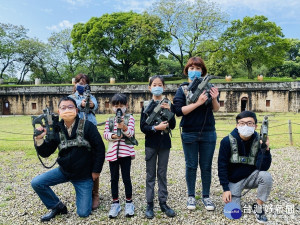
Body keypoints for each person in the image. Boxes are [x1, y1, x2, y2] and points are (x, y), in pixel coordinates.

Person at [31, 96, 105, 222]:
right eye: (63, 108)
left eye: (70, 107)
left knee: (83, 213)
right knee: (37, 182)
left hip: (83, 175)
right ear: (59, 112)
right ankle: (56, 206)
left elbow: (100, 149)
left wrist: (96, 171)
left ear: (76, 110)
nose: (67, 110)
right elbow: (46, 152)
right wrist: (39, 140)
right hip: (64, 171)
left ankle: (91, 194)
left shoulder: (88, 126)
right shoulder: (56, 129)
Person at [173, 56, 220, 211]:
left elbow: (216, 108)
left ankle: (206, 196)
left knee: (206, 166)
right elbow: (179, 111)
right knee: (191, 165)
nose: (195, 71)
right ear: (187, 71)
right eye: (191, 68)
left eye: (198, 68)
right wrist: (198, 102)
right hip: (189, 132)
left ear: (203, 71)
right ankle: (191, 196)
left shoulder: (209, 86)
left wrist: (214, 99)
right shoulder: (182, 89)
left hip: (208, 131)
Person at [218, 111, 272, 224]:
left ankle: (258, 207)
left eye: (249, 123)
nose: (245, 126)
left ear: (255, 126)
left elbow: (263, 167)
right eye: (242, 123)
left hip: (251, 177)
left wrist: (265, 150)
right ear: (237, 125)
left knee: (266, 176)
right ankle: (234, 197)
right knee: (233, 214)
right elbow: (222, 166)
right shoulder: (226, 141)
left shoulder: (259, 141)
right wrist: (225, 189)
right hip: (233, 181)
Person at [140, 75, 176, 219]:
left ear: (164, 87)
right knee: (150, 175)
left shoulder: (168, 103)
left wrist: (170, 112)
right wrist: (156, 127)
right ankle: (149, 204)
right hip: (151, 143)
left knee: (162, 173)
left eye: (159, 84)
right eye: (154, 84)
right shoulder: (146, 105)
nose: (157, 87)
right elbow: (143, 127)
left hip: (164, 143)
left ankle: (163, 202)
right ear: (150, 87)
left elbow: (172, 126)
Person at [69, 73, 100, 210]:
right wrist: (80, 104)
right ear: (75, 84)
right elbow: (69, 108)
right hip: (77, 130)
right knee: (78, 160)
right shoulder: (71, 98)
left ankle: (95, 193)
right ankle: (82, 192)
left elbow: (96, 106)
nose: (82, 86)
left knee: (94, 159)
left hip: (91, 129)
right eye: (80, 83)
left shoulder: (91, 96)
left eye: (85, 83)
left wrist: (91, 104)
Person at [103, 93, 136, 218]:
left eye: (121, 105)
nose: (119, 108)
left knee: (126, 178)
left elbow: (131, 133)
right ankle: (115, 202)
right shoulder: (109, 120)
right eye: (116, 105)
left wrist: (124, 127)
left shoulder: (130, 118)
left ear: (126, 106)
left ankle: (129, 202)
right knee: (114, 179)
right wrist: (113, 136)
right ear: (112, 107)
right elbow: (105, 134)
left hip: (125, 153)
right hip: (113, 154)